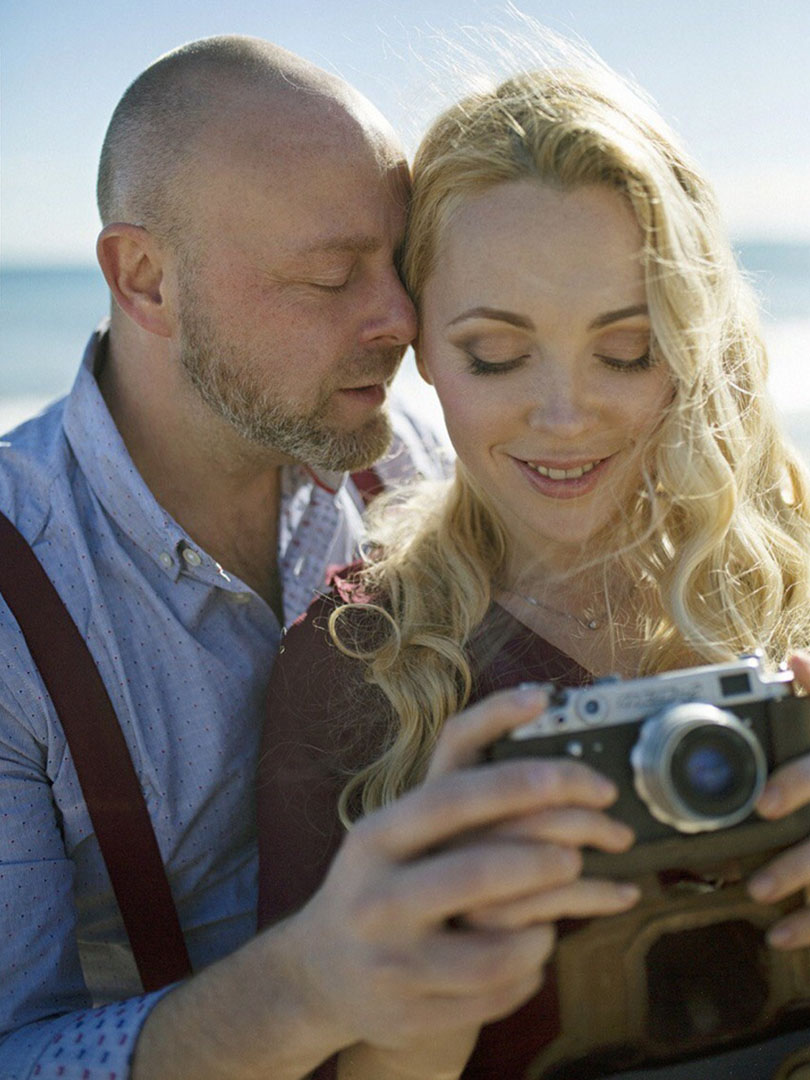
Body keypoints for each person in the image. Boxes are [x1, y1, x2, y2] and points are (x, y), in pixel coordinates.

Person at [0, 33, 640, 1080]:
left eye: (401, 262)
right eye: (331, 276)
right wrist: (305, 988)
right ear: (145, 278)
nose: (402, 321)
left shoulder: (432, 465)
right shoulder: (13, 605)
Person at [256, 43, 810, 1080]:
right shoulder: (354, 664)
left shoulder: (797, 587)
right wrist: (436, 981)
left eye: (626, 350)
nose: (563, 417)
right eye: (497, 354)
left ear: (689, 340)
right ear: (423, 349)